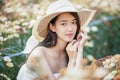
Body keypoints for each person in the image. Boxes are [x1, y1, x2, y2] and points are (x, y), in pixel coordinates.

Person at [17, 0, 96, 80]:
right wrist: (72, 60)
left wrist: (80, 48)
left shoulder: (70, 50)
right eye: (63, 24)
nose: (70, 28)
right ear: (52, 27)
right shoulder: (39, 54)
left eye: (73, 22)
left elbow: (78, 77)